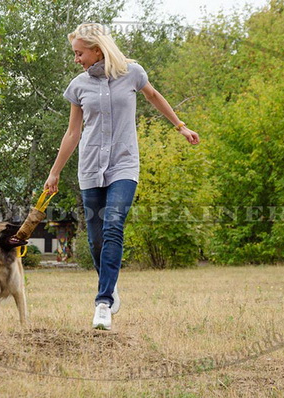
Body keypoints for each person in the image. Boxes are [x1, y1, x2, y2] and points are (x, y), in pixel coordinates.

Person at [44, 23, 200, 330]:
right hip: (90, 166)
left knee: (114, 224)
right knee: (96, 237)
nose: (76, 59)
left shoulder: (132, 72)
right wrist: (55, 172)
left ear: (97, 49)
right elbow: (73, 132)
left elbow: (154, 96)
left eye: (79, 53)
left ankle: (102, 303)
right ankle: (110, 282)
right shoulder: (78, 86)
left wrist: (181, 127)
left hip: (124, 164)